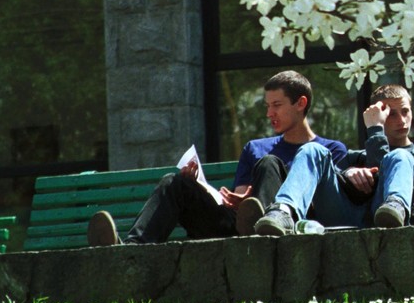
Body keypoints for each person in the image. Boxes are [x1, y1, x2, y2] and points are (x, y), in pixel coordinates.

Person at [87, 70, 349, 246]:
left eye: (277, 105)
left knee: (270, 164)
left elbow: (325, 202)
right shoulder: (255, 147)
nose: (269, 113)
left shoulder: (329, 151)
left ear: (300, 103)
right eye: (267, 106)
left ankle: (266, 225)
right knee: (174, 182)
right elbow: (240, 201)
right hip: (239, 226)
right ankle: (130, 248)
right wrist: (204, 188)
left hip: (285, 230)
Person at [253, 83, 414, 234]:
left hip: (386, 216)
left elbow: (387, 173)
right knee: (312, 149)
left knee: (400, 156)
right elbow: (327, 179)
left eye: (405, 111)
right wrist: (348, 173)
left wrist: (375, 130)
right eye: (391, 114)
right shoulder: (356, 157)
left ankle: (395, 208)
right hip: (343, 215)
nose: (401, 120)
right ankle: (284, 211)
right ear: (379, 116)